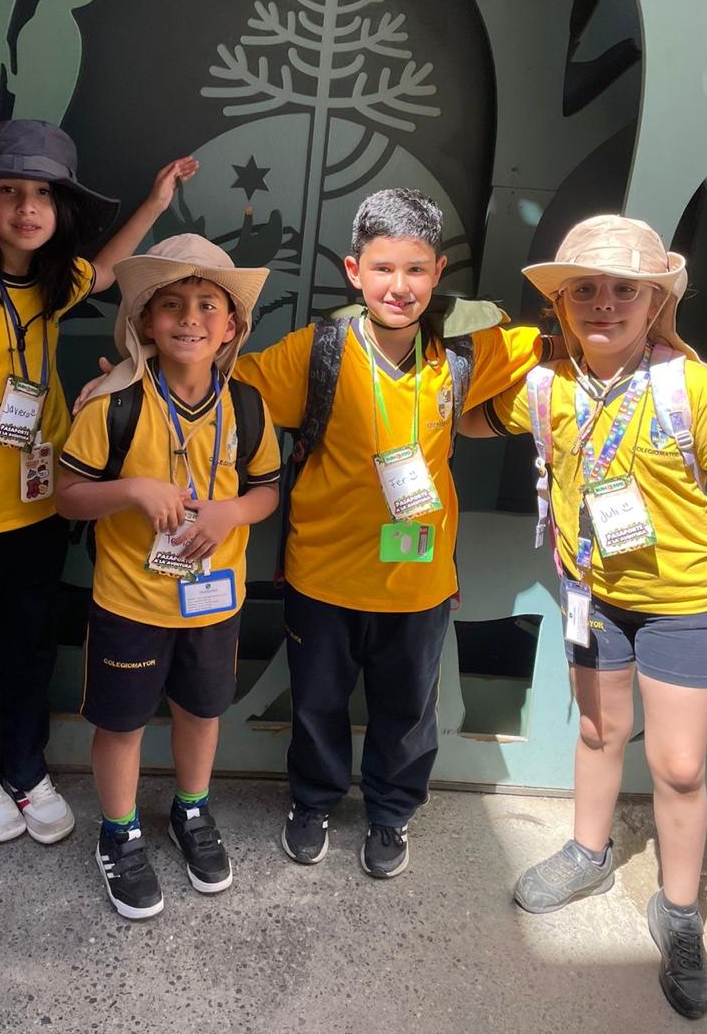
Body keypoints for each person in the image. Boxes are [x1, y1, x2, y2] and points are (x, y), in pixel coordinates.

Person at [458, 215, 707, 1020]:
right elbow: (466, 419)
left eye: (625, 289)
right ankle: (588, 853)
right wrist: (491, 354)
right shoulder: (546, 387)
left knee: (681, 767)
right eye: (584, 289)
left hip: (680, 605)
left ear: (656, 302)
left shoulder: (695, 391)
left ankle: (680, 911)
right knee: (598, 732)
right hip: (591, 597)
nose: (603, 303)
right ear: (561, 304)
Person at [231, 189, 554, 878]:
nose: (398, 286)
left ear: (438, 273)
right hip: (322, 575)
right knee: (317, 703)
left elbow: (557, 344)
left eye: (414, 269)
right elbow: (231, 390)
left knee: (408, 710)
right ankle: (313, 801)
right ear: (354, 271)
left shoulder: (462, 352)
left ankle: (391, 811)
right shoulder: (317, 352)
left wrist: (643, 349)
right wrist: (134, 376)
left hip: (418, 581)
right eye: (382, 268)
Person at [0, 118, 198, 846]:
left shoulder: (51, 283)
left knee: (31, 648)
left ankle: (26, 768)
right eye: (8, 191)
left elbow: (107, 269)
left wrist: (156, 204)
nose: (27, 208)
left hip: (39, 507)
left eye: (42, 194)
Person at [56, 235, 280, 918]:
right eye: (173, 304)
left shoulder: (248, 406)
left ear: (231, 326)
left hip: (214, 603)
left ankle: (192, 809)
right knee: (122, 723)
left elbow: (267, 491)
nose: (190, 318)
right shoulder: (114, 403)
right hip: (131, 602)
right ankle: (119, 832)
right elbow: (67, 496)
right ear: (145, 322)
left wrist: (232, 512)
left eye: (208, 304)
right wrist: (131, 490)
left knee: (202, 712)